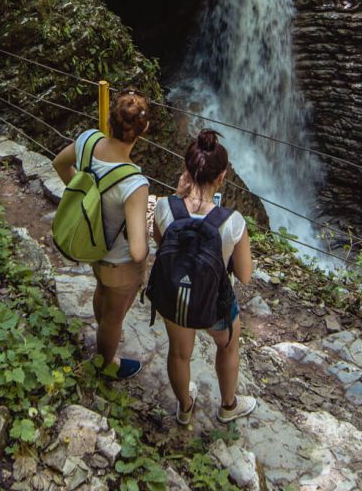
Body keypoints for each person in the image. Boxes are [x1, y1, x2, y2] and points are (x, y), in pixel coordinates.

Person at [152, 130, 255, 425]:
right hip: (216, 302)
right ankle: (228, 405)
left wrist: (176, 194)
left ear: (187, 170)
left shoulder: (165, 207)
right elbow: (245, 276)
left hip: (177, 295)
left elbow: (161, 244)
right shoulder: (232, 222)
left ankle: (185, 408)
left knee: (180, 354)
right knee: (227, 346)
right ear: (221, 177)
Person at [52, 90, 152, 379]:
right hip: (118, 261)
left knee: (101, 289)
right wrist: (148, 227)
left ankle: (102, 331)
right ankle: (107, 364)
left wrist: (84, 200)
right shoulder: (133, 182)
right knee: (113, 318)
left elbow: (59, 163)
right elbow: (136, 251)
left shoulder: (87, 141)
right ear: (142, 131)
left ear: (108, 120)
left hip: (93, 247)